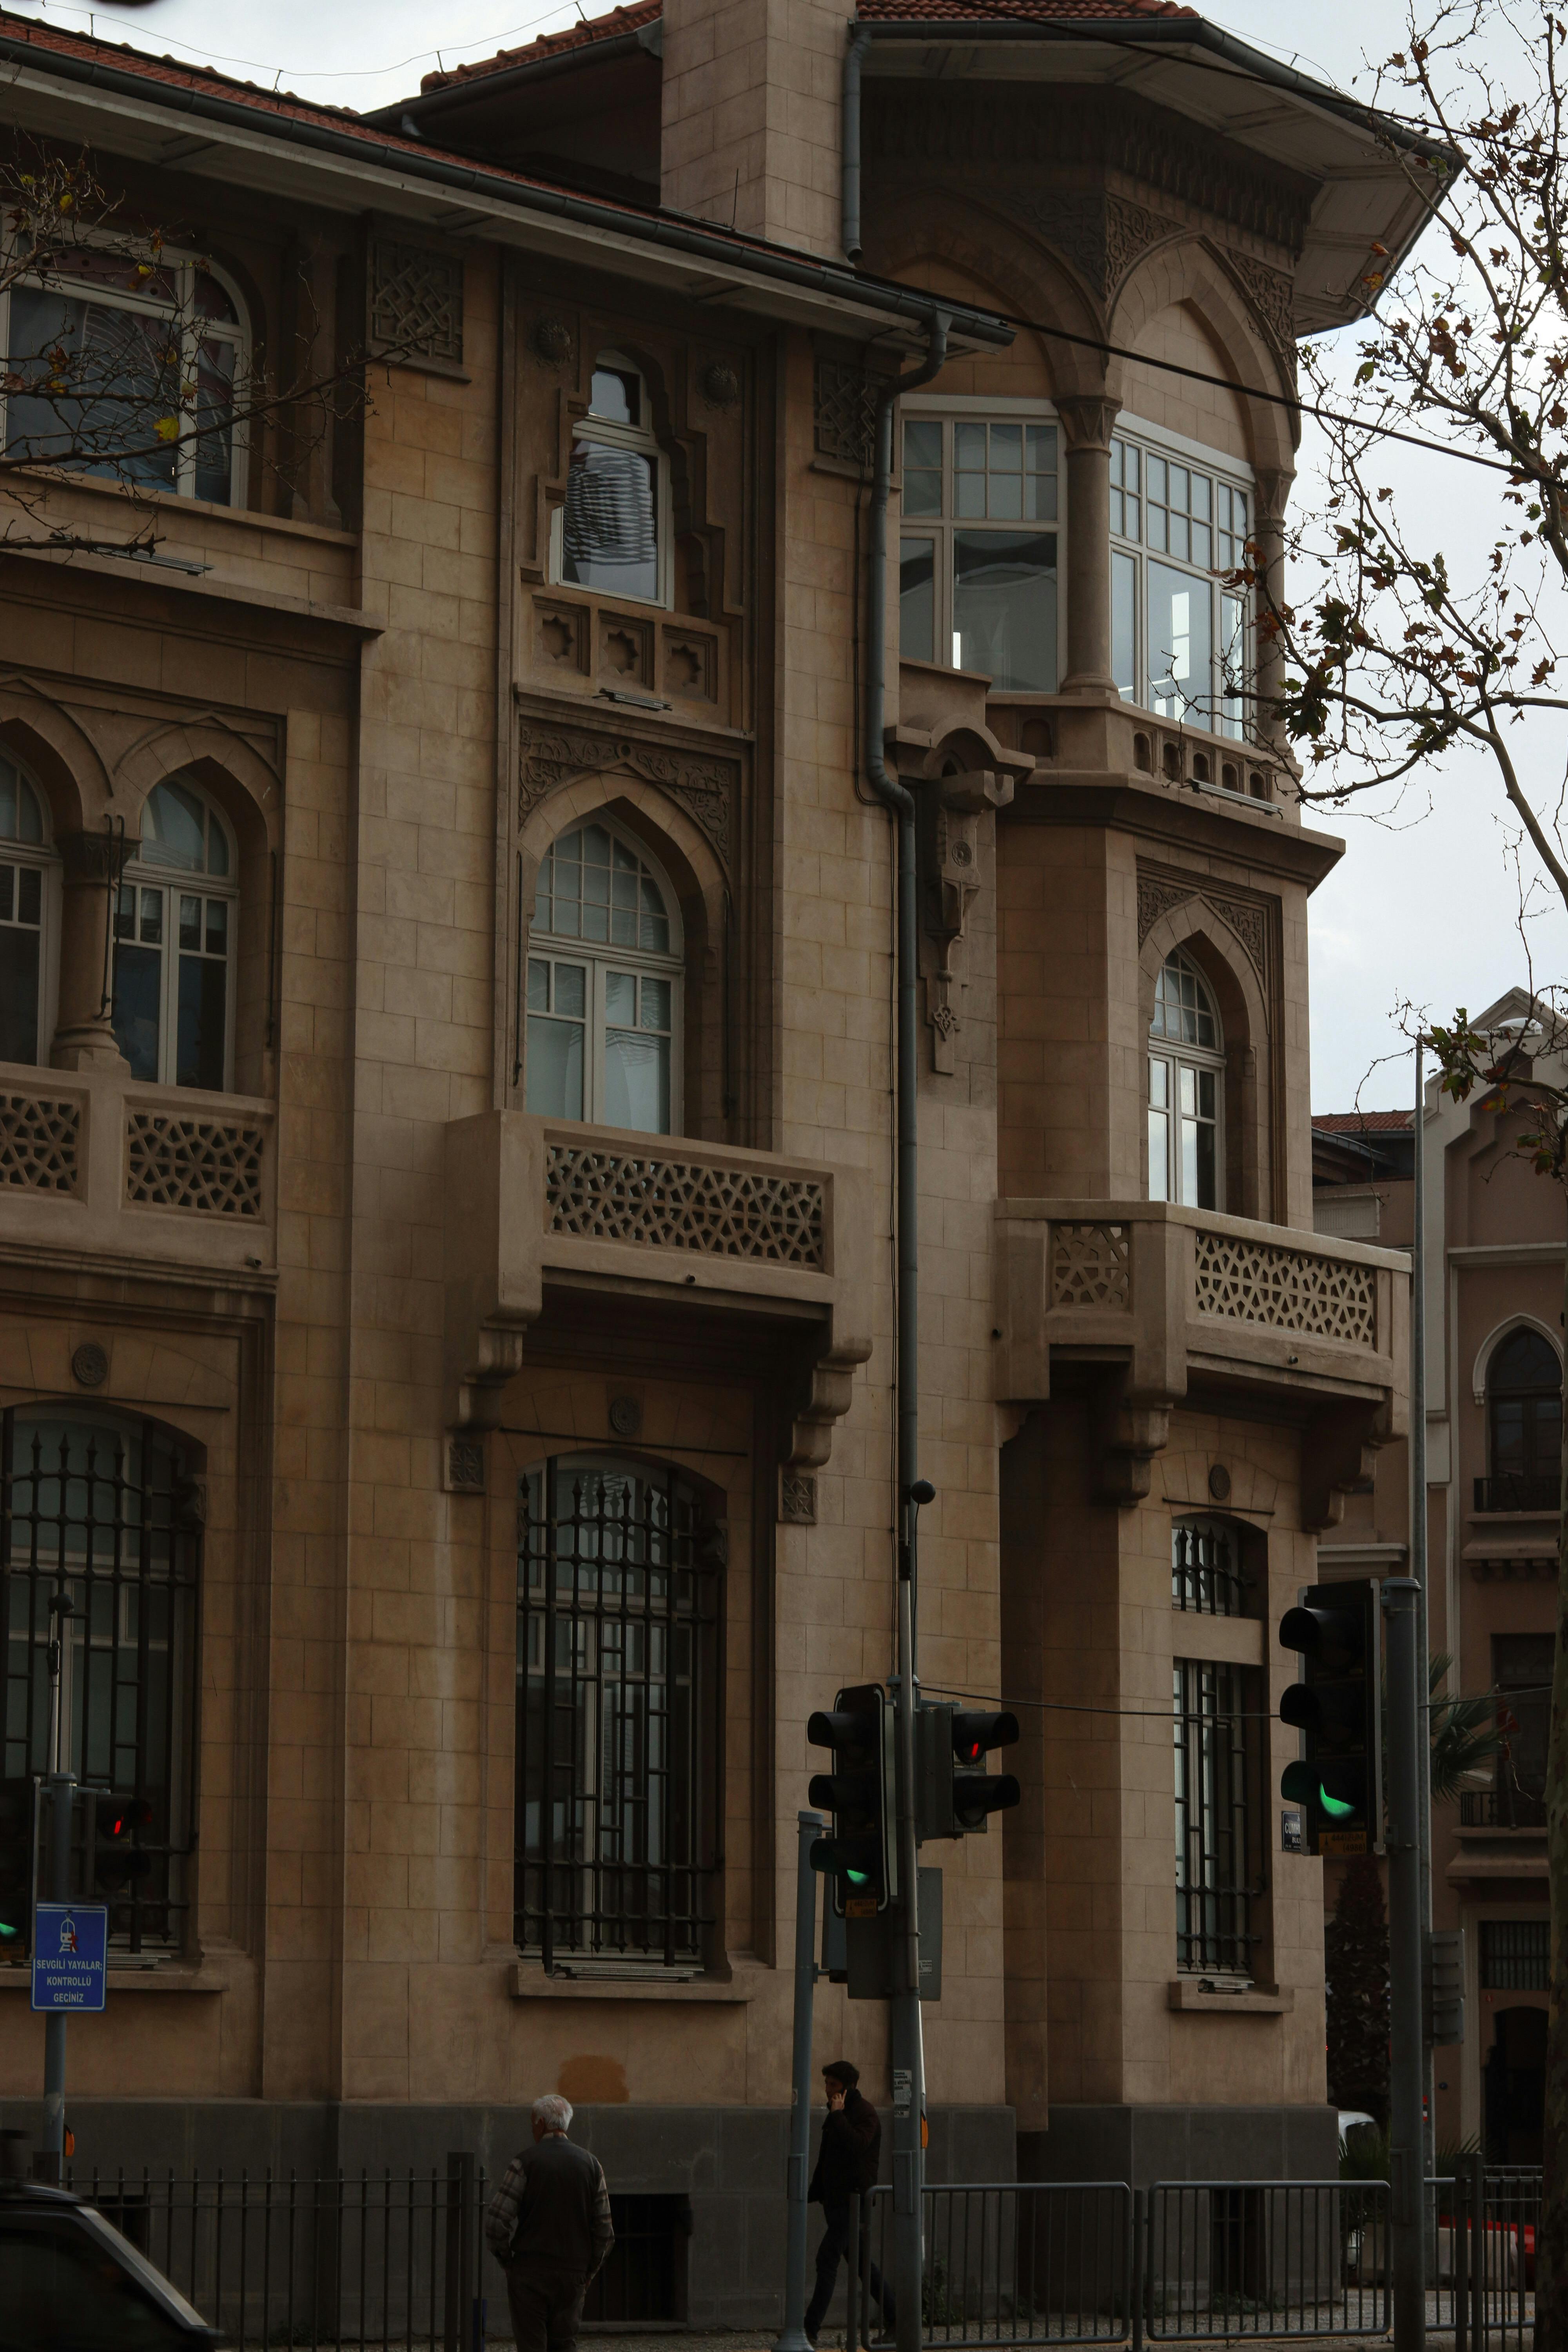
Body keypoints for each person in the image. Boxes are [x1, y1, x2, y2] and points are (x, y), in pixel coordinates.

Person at [486, 2093, 615, 2352]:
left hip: (530, 2271)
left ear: (541, 2123)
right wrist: (588, 2272)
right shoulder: (591, 2165)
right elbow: (605, 2230)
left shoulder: (525, 2163)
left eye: (533, 2123)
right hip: (572, 2272)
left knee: (532, 2344)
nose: (532, 2128)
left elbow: (497, 2220)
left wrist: (508, 2262)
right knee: (565, 2343)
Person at [803, 2060, 894, 2346]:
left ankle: (809, 2329)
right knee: (862, 2265)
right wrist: (817, 2190)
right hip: (837, 2200)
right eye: (826, 2084)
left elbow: (858, 2146)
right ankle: (897, 2319)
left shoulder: (864, 2112)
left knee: (827, 2258)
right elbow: (827, 2156)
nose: (827, 2090)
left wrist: (839, 2117)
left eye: (833, 2085)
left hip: (854, 2201)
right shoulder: (837, 2113)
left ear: (847, 2087)